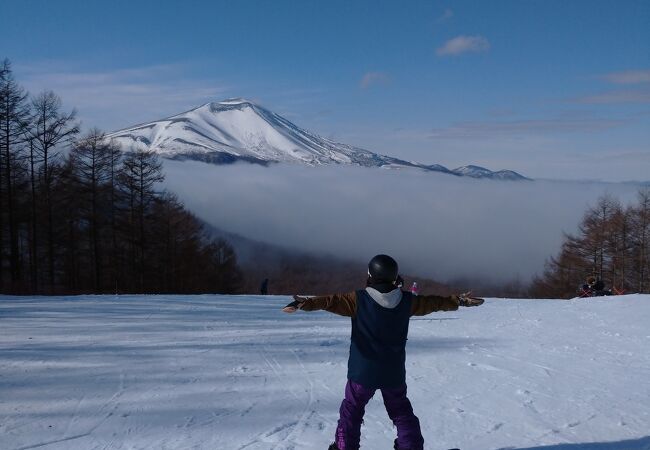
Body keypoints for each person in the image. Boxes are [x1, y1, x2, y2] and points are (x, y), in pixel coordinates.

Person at [282, 254, 484, 450]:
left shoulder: (357, 300)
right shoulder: (407, 301)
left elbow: (330, 301)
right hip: (393, 373)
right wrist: (458, 300)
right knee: (401, 412)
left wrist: (304, 303)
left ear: (370, 275)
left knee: (352, 410)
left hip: (362, 372)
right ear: (394, 277)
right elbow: (433, 303)